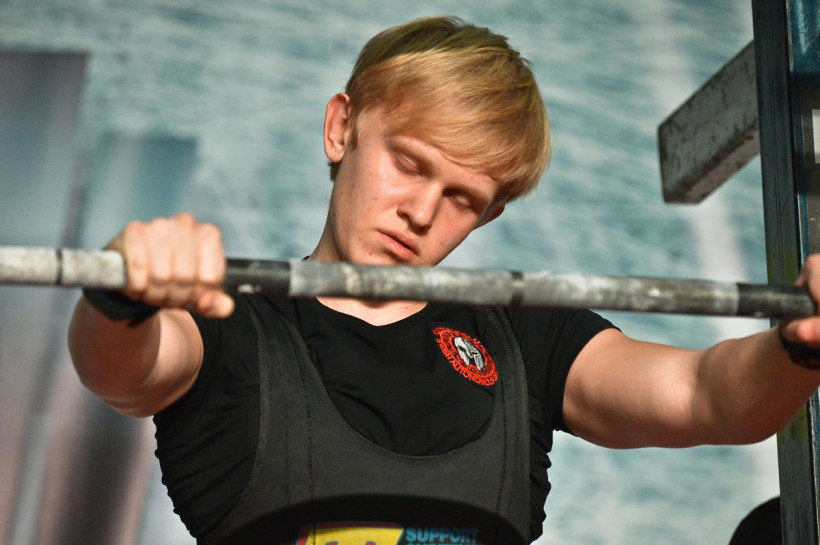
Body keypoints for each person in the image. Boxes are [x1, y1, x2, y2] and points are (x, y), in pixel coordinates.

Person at [67, 15, 816, 545]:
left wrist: (800, 344)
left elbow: (707, 395)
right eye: (408, 163)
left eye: (462, 198)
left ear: (489, 216)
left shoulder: (526, 333)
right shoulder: (225, 324)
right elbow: (121, 370)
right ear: (341, 128)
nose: (421, 212)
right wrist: (123, 287)